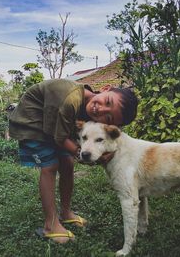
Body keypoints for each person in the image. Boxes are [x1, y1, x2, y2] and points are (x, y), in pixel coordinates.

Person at [9, 78, 138, 244]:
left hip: (54, 126)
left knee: (68, 163)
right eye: (107, 101)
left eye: (108, 117)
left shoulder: (88, 106)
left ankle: (66, 212)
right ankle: (50, 225)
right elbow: (59, 138)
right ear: (106, 88)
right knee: (50, 165)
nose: (101, 110)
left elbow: (67, 136)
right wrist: (86, 155)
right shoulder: (69, 100)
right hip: (32, 124)